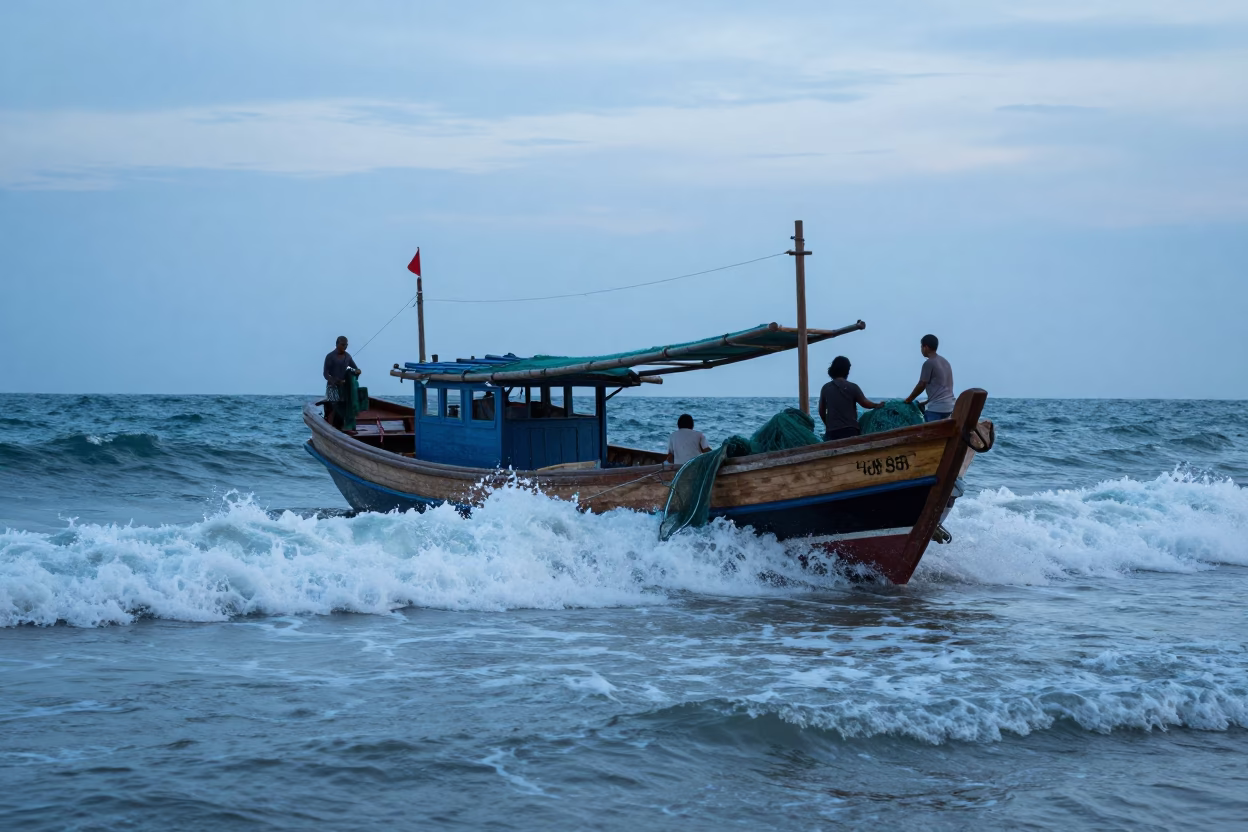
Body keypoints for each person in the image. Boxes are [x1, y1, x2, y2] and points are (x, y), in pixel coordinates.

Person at [818, 356, 881, 440]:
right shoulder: (853, 387)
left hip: (832, 432)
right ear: (847, 371)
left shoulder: (826, 388)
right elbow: (864, 403)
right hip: (851, 430)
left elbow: (821, 411)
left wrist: (828, 425)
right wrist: (876, 405)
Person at [904, 334, 954, 422]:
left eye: (921, 346)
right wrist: (926, 402)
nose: (921, 349)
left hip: (937, 410)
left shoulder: (929, 363)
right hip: (950, 407)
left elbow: (922, 384)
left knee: (927, 430)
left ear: (925, 347)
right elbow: (942, 389)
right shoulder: (945, 362)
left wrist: (909, 399)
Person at [323, 335, 361, 428]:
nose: (345, 347)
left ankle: (342, 426)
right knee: (335, 406)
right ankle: (331, 423)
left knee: (345, 406)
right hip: (332, 386)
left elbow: (355, 368)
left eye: (346, 345)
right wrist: (334, 381)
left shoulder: (347, 356)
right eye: (343, 345)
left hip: (344, 387)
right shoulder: (330, 356)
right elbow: (325, 374)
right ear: (337, 344)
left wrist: (357, 371)